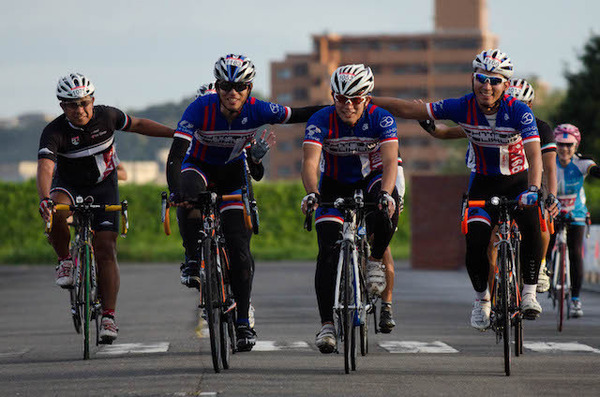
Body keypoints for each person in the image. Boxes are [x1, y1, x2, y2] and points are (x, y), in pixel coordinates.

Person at [371, 49, 545, 330]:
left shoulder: (519, 111)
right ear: (472, 79)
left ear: (505, 85)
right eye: (480, 79)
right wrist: (366, 99)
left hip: (518, 181)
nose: (486, 86)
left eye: (494, 81)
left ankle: (529, 292)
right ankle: (482, 300)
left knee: (532, 225)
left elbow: (535, 155)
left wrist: (534, 188)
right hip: (483, 183)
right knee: (475, 242)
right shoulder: (462, 107)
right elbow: (408, 109)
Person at [166, 54, 325, 352]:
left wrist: (336, 108)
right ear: (218, 86)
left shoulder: (259, 109)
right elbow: (176, 155)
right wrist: (176, 191)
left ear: (249, 88)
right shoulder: (200, 107)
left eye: (240, 86)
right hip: (198, 167)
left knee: (240, 250)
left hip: (231, 175)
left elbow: (298, 113)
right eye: (226, 85)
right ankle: (191, 258)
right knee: (187, 195)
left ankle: (242, 320)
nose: (232, 92)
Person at [37, 73, 174, 343]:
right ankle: (65, 261)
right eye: (72, 105)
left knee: (106, 249)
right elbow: (45, 167)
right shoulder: (53, 131)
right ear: (62, 107)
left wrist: (174, 133)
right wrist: (44, 198)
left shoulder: (107, 117)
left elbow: (139, 125)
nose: (80, 110)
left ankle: (109, 317)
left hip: (103, 184)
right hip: (69, 185)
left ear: (93, 100)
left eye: (84, 103)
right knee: (57, 211)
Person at [419, 78, 559, 293]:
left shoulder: (539, 127)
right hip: (487, 181)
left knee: (540, 220)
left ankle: (538, 267)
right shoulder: (488, 119)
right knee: (486, 240)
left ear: (529, 106)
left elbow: (549, 167)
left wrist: (551, 194)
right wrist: (430, 127)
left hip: (524, 181)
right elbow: (447, 132)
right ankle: (493, 296)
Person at [300, 64, 400, 353]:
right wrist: (313, 193)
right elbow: (309, 162)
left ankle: (374, 260)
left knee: (385, 211)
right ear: (333, 96)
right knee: (327, 252)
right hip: (333, 185)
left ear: (367, 98)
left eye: (355, 99)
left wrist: (386, 194)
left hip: (372, 179)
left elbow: (391, 161)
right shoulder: (321, 120)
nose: (347, 105)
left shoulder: (381, 119)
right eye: (340, 98)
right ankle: (327, 325)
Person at [549, 123, 600, 317]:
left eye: (569, 145)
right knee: (547, 241)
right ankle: (544, 271)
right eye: (561, 145)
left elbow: (593, 169)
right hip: (553, 211)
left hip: (576, 212)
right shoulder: (549, 162)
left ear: (576, 146)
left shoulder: (581, 163)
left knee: (575, 252)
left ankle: (576, 300)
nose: (565, 149)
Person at [379, 154, 405, 333]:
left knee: (382, 243)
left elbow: (397, 171)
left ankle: (386, 305)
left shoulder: (381, 128)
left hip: (385, 186)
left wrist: (398, 198)